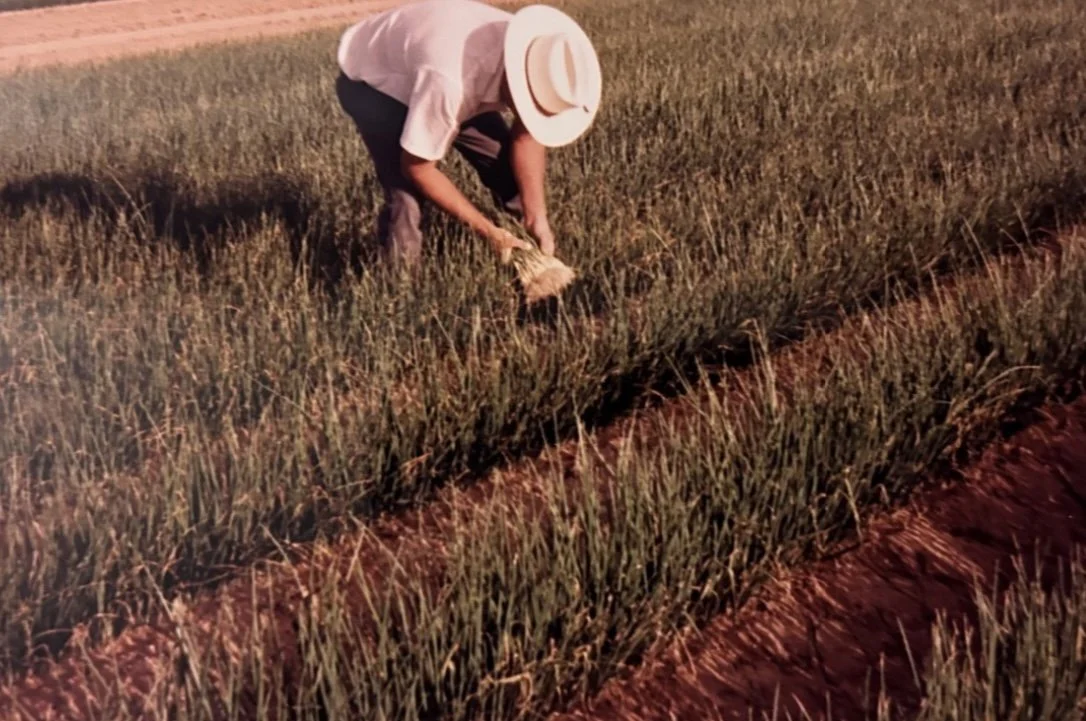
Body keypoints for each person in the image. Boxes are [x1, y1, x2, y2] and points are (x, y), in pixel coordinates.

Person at [335, 0, 602, 268]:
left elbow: (526, 135)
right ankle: (400, 288)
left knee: (503, 162)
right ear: (518, 83)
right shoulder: (450, 84)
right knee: (406, 196)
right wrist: (488, 232)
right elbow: (418, 169)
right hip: (372, 83)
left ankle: (532, 250)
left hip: (436, 63)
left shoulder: (530, 52)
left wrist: (537, 216)